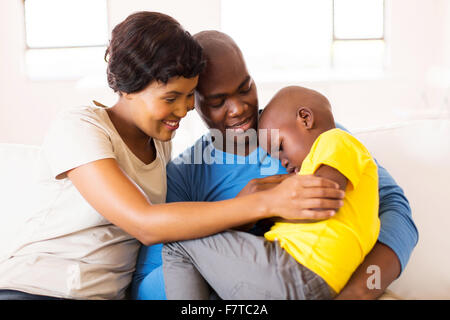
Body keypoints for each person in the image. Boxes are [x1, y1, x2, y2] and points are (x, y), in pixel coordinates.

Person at [0, 13, 343, 300]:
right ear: (127, 89)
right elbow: (144, 223)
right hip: (35, 289)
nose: (184, 109)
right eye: (171, 97)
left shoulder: (163, 144)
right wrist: (261, 204)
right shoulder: (79, 128)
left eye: (190, 95)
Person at [132, 30, 418, 300]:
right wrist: (240, 216)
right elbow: (146, 283)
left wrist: (360, 291)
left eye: (245, 88)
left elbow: (395, 210)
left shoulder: (310, 135)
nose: (239, 108)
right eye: (218, 101)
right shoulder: (186, 175)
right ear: (193, 103)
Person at [162, 85, 381, 299]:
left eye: (280, 148)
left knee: (178, 241)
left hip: (293, 270)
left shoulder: (335, 140)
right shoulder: (332, 171)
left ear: (305, 118)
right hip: (308, 281)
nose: (283, 162)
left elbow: (318, 203)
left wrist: (259, 207)